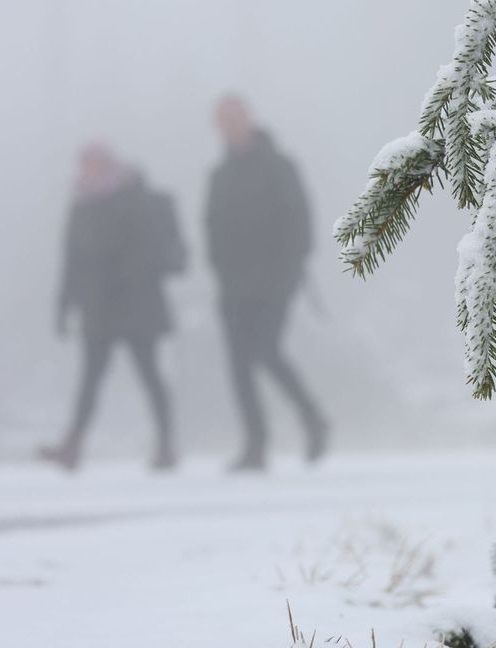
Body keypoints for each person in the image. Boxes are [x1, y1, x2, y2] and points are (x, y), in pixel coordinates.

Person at [42, 144, 186, 471]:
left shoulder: (137, 199)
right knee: (90, 380)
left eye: (93, 164)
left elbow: (151, 250)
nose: (86, 170)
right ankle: (73, 445)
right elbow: (73, 262)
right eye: (84, 164)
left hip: (137, 306)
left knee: (149, 376)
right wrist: (64, 306)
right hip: (99, 309)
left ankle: (166, 444)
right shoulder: (82, 207)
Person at [206, 95, 328, 471]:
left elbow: (300, 221)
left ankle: (312, 418)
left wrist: (288, 271)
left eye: (234, 118)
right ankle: (255, 445)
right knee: (239, 365)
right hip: (233, 286)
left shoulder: (278, 166)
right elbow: (211, 228)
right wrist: (221, 271)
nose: (229, 126)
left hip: (275, 282)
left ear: (248, 120)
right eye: (222, 120)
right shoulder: (220, 175)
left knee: (265, 350)